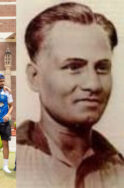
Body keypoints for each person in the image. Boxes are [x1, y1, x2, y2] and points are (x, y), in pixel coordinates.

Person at [17, 2, 124, 188]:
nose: (93, 84)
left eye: (102, 68)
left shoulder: (118, 170)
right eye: (74, 67)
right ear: (35, 77)